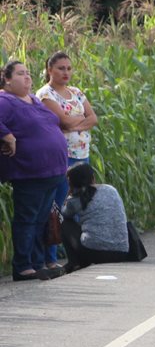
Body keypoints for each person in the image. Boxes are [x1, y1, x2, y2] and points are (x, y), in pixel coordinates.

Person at [0, 60, 68, 280]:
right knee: (27, 219)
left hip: (52, 172)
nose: (27, 77)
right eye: (20, 73)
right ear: (7, 80)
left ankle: (37, 263)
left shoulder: (33, 100)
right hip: (30, 172)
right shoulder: (5, 100)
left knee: (40, 220)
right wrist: (8, 136)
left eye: (28, 72)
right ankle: (22, 267)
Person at [36, 50, 98, 263]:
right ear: (49, 70)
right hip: (62, 155)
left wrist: (74, 123)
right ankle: (51, 254)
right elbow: (64, 121)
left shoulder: (76, 92)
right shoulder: (46, 94)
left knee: (81, 201)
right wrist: (79, 120)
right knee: (59, 203)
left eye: (69, 68)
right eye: (61, 68)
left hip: (82, 153)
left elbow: (93, 118)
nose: (66, 72)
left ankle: (76, 248)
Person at [60, 162, 139, 272]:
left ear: (72, 183)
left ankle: (74, 263)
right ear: (93, 178)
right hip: (122, 252)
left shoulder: (75, 200)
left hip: (95, 254)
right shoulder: (111, 189)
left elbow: (64, 213)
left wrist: (69, 194)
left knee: (65, 223)